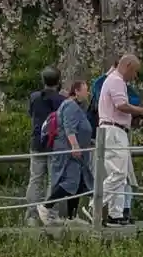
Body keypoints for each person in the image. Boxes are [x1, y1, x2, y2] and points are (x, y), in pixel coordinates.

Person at [98, 54, 143, 227]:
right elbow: (121, 105)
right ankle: (95, 205)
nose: (134, 76)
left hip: (117, 130)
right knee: (118, 174)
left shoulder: (115, 81)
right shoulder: (116, 80)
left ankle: (115, 213)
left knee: (121, 175)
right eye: (134, 71)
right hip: (114, 129)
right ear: (128, 66)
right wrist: (141, 111)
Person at [45, 80, 95, 222]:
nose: (87, 93)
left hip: (77, 153)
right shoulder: (70, 106)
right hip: (69, 152)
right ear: (77, 91)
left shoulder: (76, 107)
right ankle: (46, 206)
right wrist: (75, 145)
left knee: (77, 184)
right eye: (85, 90)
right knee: (70, 182)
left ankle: (71, 217)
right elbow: (69, 127)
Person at [25, 68, 64, 225]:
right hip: (54, 144)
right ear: (58, 81)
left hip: (37, 142)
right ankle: (49, 214)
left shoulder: (34, 98)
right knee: (53, 180)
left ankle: (32, 215)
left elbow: (31, 114)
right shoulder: (61, 100)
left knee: (35, 179)